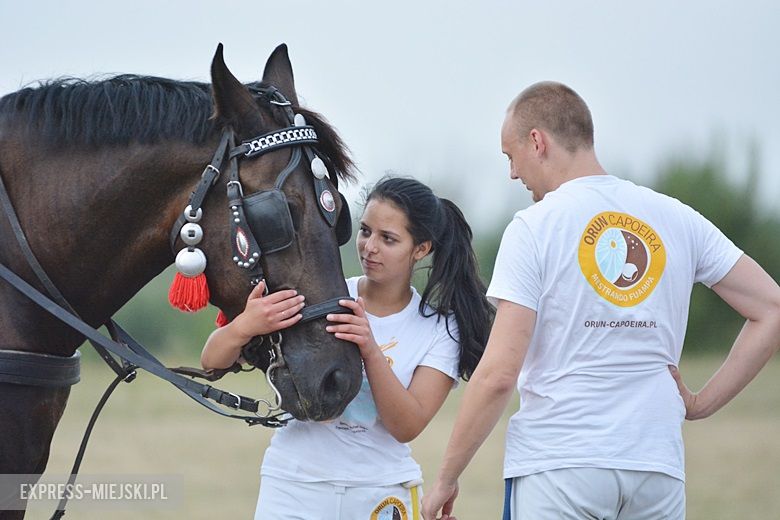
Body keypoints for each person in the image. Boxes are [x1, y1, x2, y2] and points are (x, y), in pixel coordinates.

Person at [422, 81, 780, 520]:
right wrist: (701, 403)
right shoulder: (676, 216)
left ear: (537, 142)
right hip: (656, 466)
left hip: (561, 465)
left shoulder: (534, 227)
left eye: (509, 157)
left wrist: (446, 477)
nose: (513, 173)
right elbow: (771, 308)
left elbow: (498, 374)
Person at [201, 176, 493, 520]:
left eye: (389, 239)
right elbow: (211, 361)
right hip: (293, 487)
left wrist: (369, 348)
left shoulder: (439, 329)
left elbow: (407, 426)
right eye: (366, 231)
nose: (370, 247)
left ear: (421, 249)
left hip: (381, 497)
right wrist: (245, 325)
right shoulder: (318, 299)